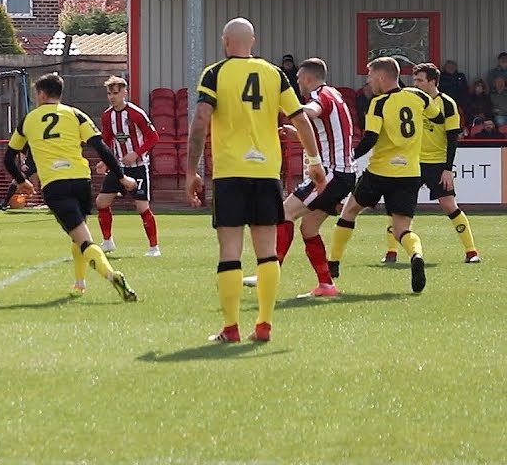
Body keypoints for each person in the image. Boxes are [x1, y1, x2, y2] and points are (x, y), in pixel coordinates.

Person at [186, 18, 325, 344]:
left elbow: (201, 120)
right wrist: (315, 161)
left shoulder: (214, 73)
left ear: (225, 41)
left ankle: (231, 328)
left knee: (230, 251)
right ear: (254, 41)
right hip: (265, 173)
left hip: (230, 173)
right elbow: (300, 118)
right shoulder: (274, 74)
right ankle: (264, 324)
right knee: (267, 252)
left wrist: (191, 171)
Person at [4, 73, 139, 301]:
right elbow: (102, 148)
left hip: (55, 185)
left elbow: (8, 158)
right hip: (81, 180)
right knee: (79, 232)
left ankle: (111, 275)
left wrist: (21, 181)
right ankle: (79, 284)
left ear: (42, 94)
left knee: (84, 240)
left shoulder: (29, 119)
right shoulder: (76, 114)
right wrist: (122, 176)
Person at [327, 56, 443, 294]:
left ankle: (333, 263)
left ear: (381, 77)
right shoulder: (419, 96)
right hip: (409, 173)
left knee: (350, 211)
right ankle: (416, 255)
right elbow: (438, 118)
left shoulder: (378, 103)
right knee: (402, 229)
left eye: (370, 77)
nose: (369, 82)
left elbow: (370, 138)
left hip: (380, 171)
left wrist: (350, 156)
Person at [241, 58, 354, 297]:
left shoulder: (319, 96)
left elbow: (311, 111)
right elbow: (326, 136)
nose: (297, 84)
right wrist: (299, 134)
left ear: (307, 78)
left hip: (331, 173)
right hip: (343, 173)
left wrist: (293, 111)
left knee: (284, 213)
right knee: (309, 229)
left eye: (298, 79)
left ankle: (267, 274)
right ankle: (326, 285)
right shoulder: (334, 94)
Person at [378, 63, 480, 265]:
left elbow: (452, 138)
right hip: (411, 163)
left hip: (436, 164)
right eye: (414, 80)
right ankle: (391, 252)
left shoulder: (447, 104)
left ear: (432, 82)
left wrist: (447, 169)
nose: (415, 84)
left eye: (420, 80)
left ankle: (471, 251)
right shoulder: (411, 101)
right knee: (399, 207)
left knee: (449, 205)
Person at [94, 76, 161, 256]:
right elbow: (107, 139)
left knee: (142, 207)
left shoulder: (136, 113)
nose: (112, 97)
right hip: (118, 168)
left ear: (125, 92)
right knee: (101, 202)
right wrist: (104, 160)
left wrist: (136, 153)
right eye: (109, 93)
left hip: (138, 167)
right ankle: (108, 241)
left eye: (116, 93)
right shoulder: (107, 116)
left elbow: (153, 137)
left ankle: (154, 247)